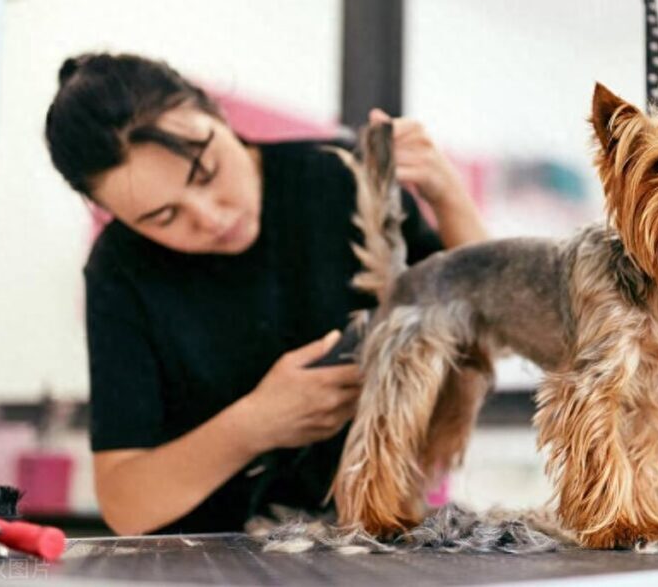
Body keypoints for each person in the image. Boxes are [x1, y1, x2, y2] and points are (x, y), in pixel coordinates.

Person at [44, 53, 487, 535]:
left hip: (369, 536)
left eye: (206, 172)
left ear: (216, 114)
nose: (210, 217)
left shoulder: (340, 177)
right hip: (206, 558)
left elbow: (489, 322)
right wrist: (255, 424)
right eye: (163, 218)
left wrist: (447, 191)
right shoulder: (121, 270)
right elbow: (127, 504)